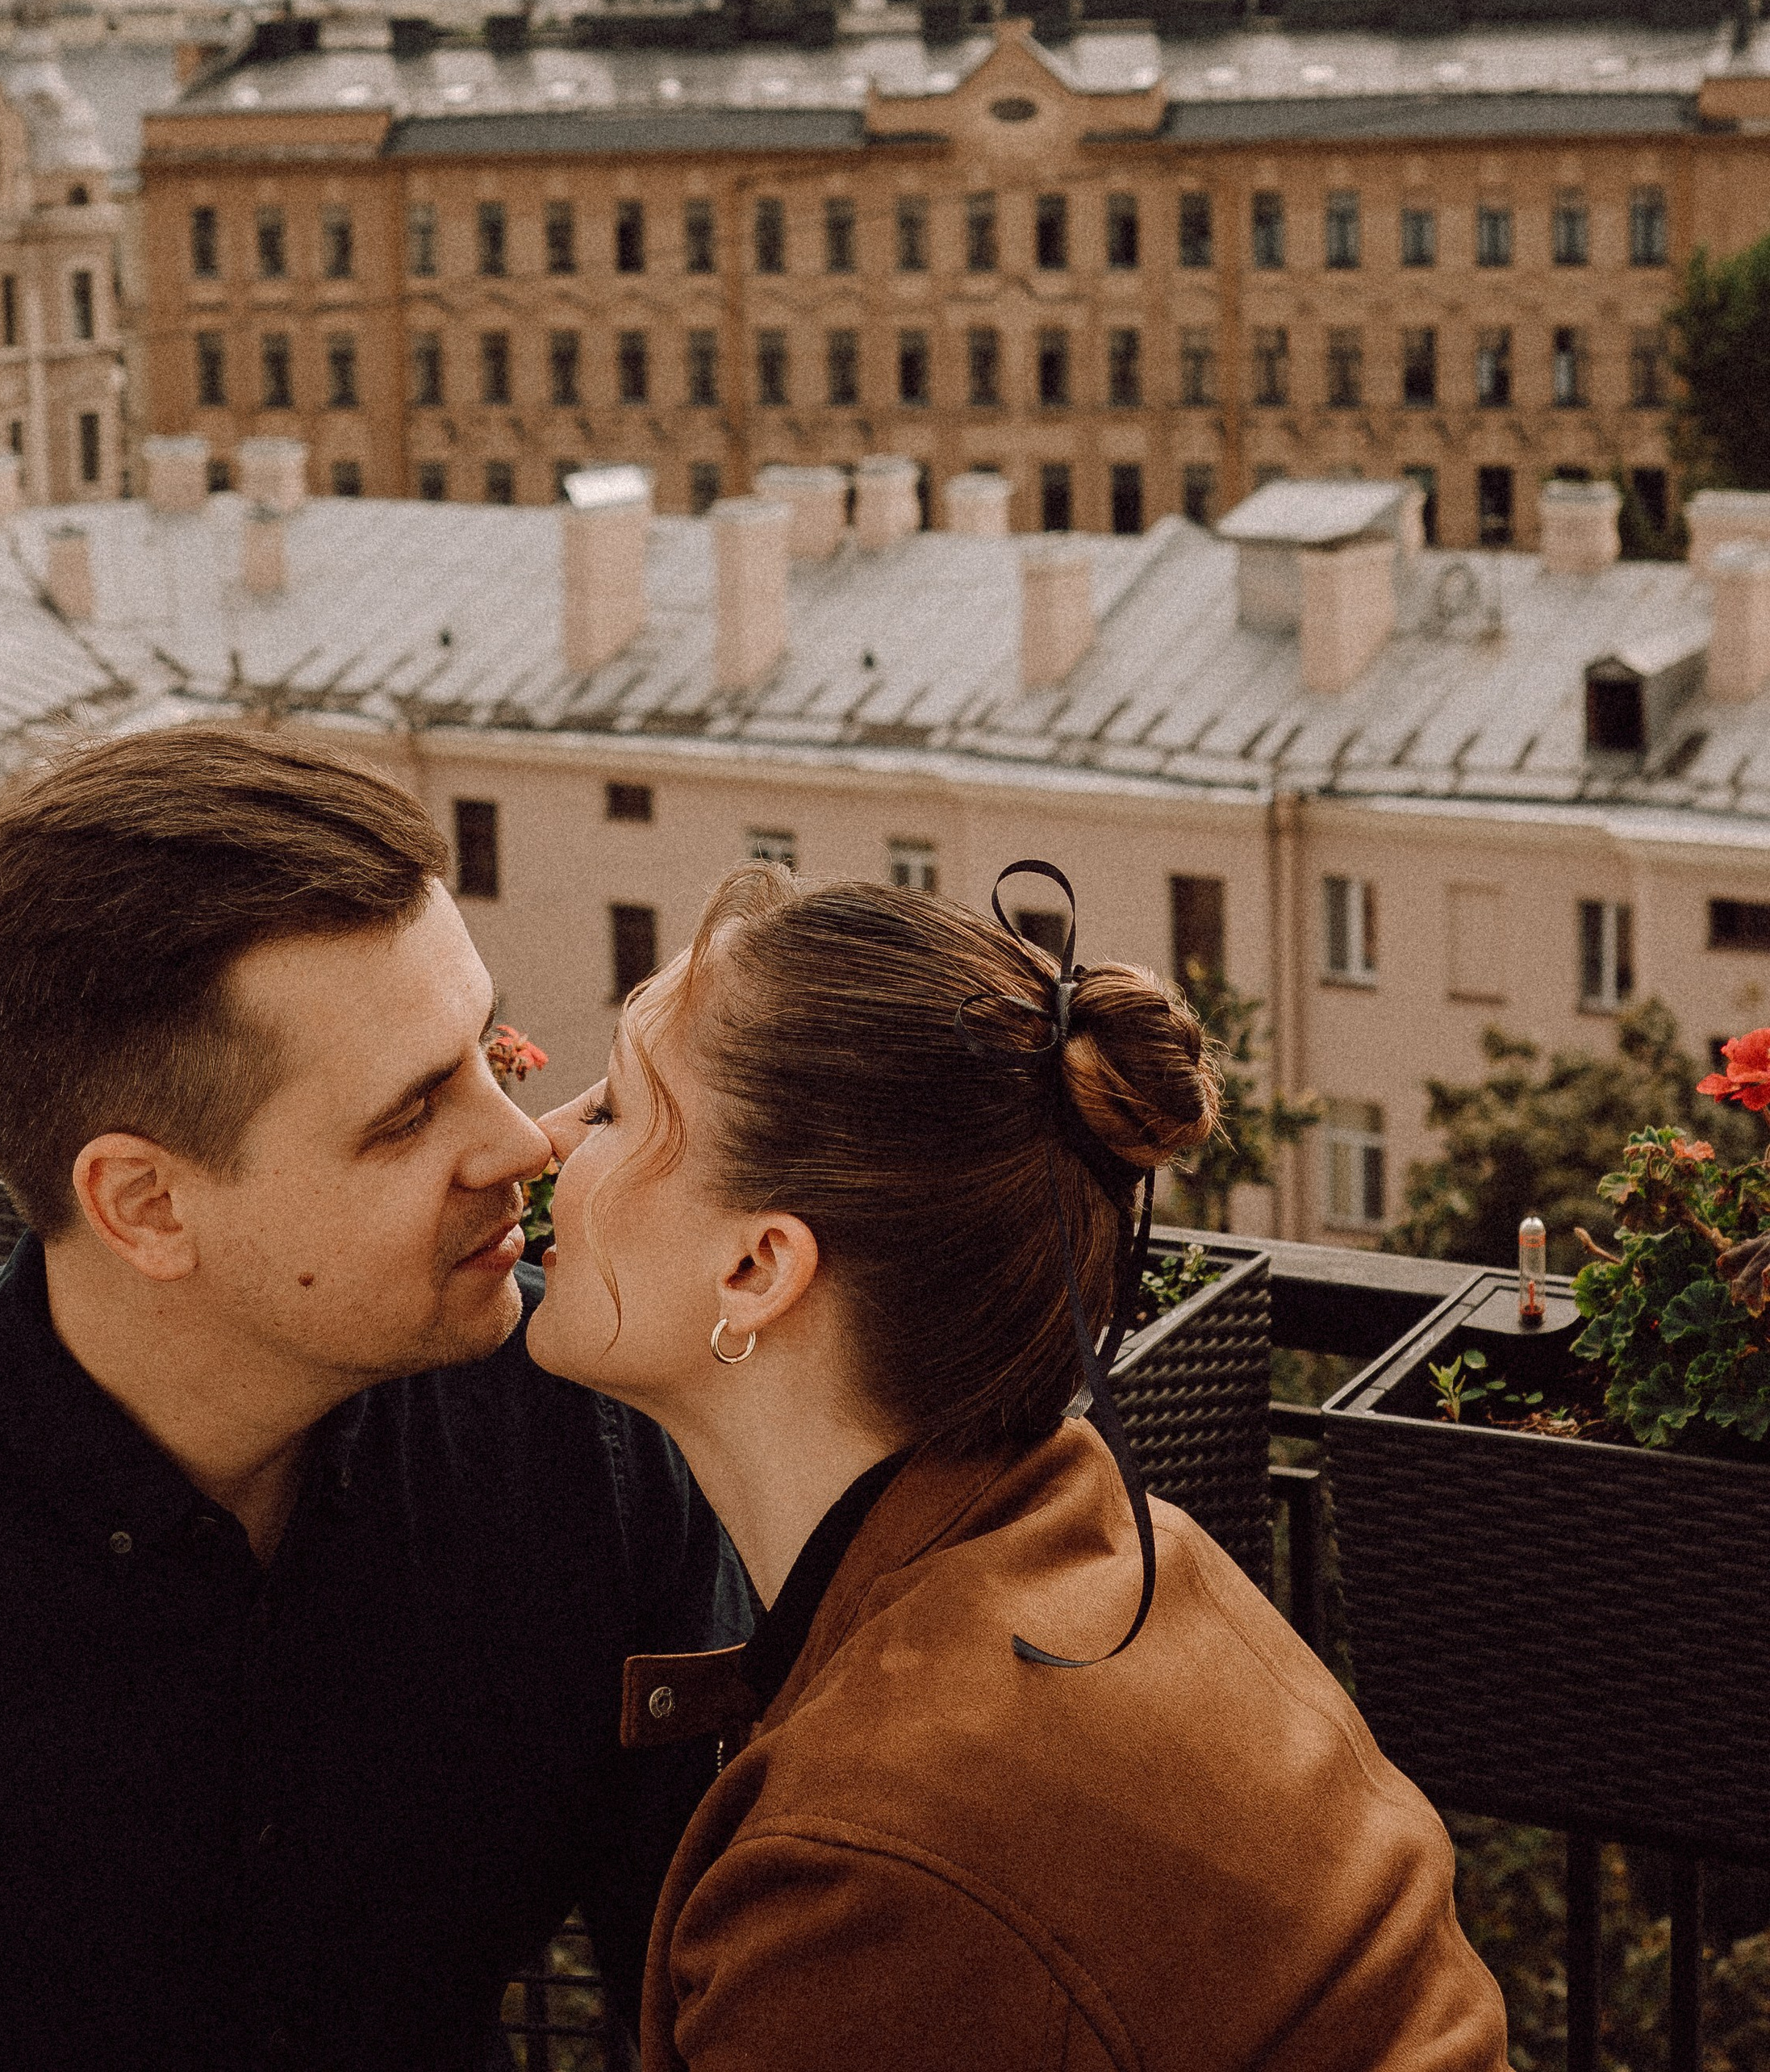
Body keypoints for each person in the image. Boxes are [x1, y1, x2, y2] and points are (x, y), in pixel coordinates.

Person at [0, 729, 741, 2072]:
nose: (516, 1143)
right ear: (145, 1205)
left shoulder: (583, 1446)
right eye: (410, 1113)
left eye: (489, 1053)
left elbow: (709, 1990)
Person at [528, 859, 1511, 2072]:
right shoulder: (1104, 1539)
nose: (546, 1137)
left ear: (757, 1269)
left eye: (618, 1111)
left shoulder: (868, 1873)